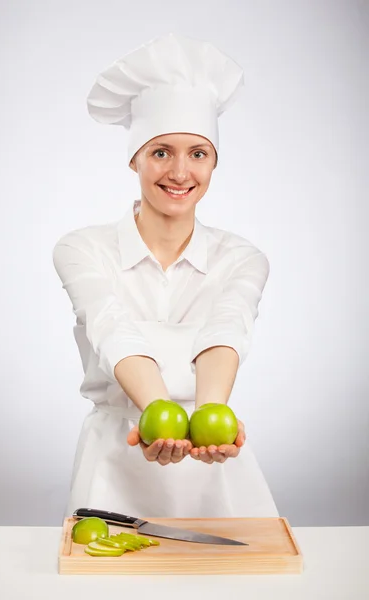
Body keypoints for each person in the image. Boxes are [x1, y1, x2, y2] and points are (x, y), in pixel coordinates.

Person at [53, 33, 279, 519]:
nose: (180, 172)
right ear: (134, 157)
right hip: (115, 456)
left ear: (215, 161)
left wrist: (206, 417)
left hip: (213, 461)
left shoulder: (243, 257)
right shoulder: (83, 248)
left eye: (198, 153)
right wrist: (160, 417)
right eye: (161, 152)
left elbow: (227, 327)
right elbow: (112, 326)